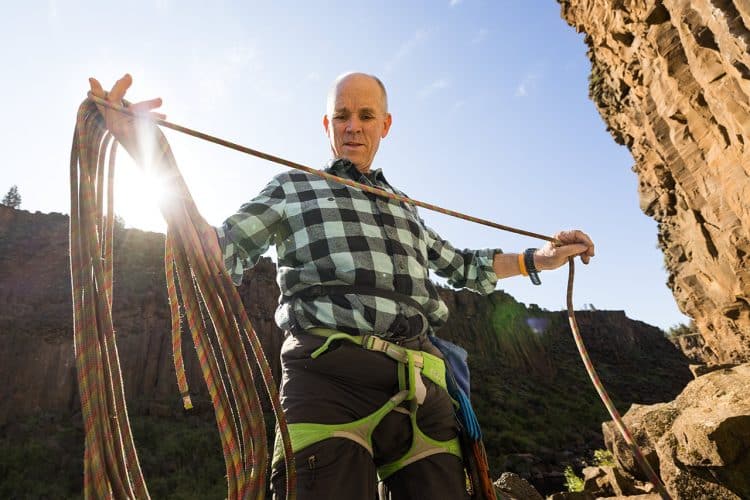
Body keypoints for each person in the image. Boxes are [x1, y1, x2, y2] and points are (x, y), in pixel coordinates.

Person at [89, 72, 595, 499]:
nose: (353, 126)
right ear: (327, 125)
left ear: (386, 125)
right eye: (342, 116)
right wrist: (149, 153)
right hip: (327, 382)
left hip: (420, 385)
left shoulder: (405, 208)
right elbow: (212, 252)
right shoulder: (294, 188)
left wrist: (543, 258)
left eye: (366, 116)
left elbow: (463, 265)